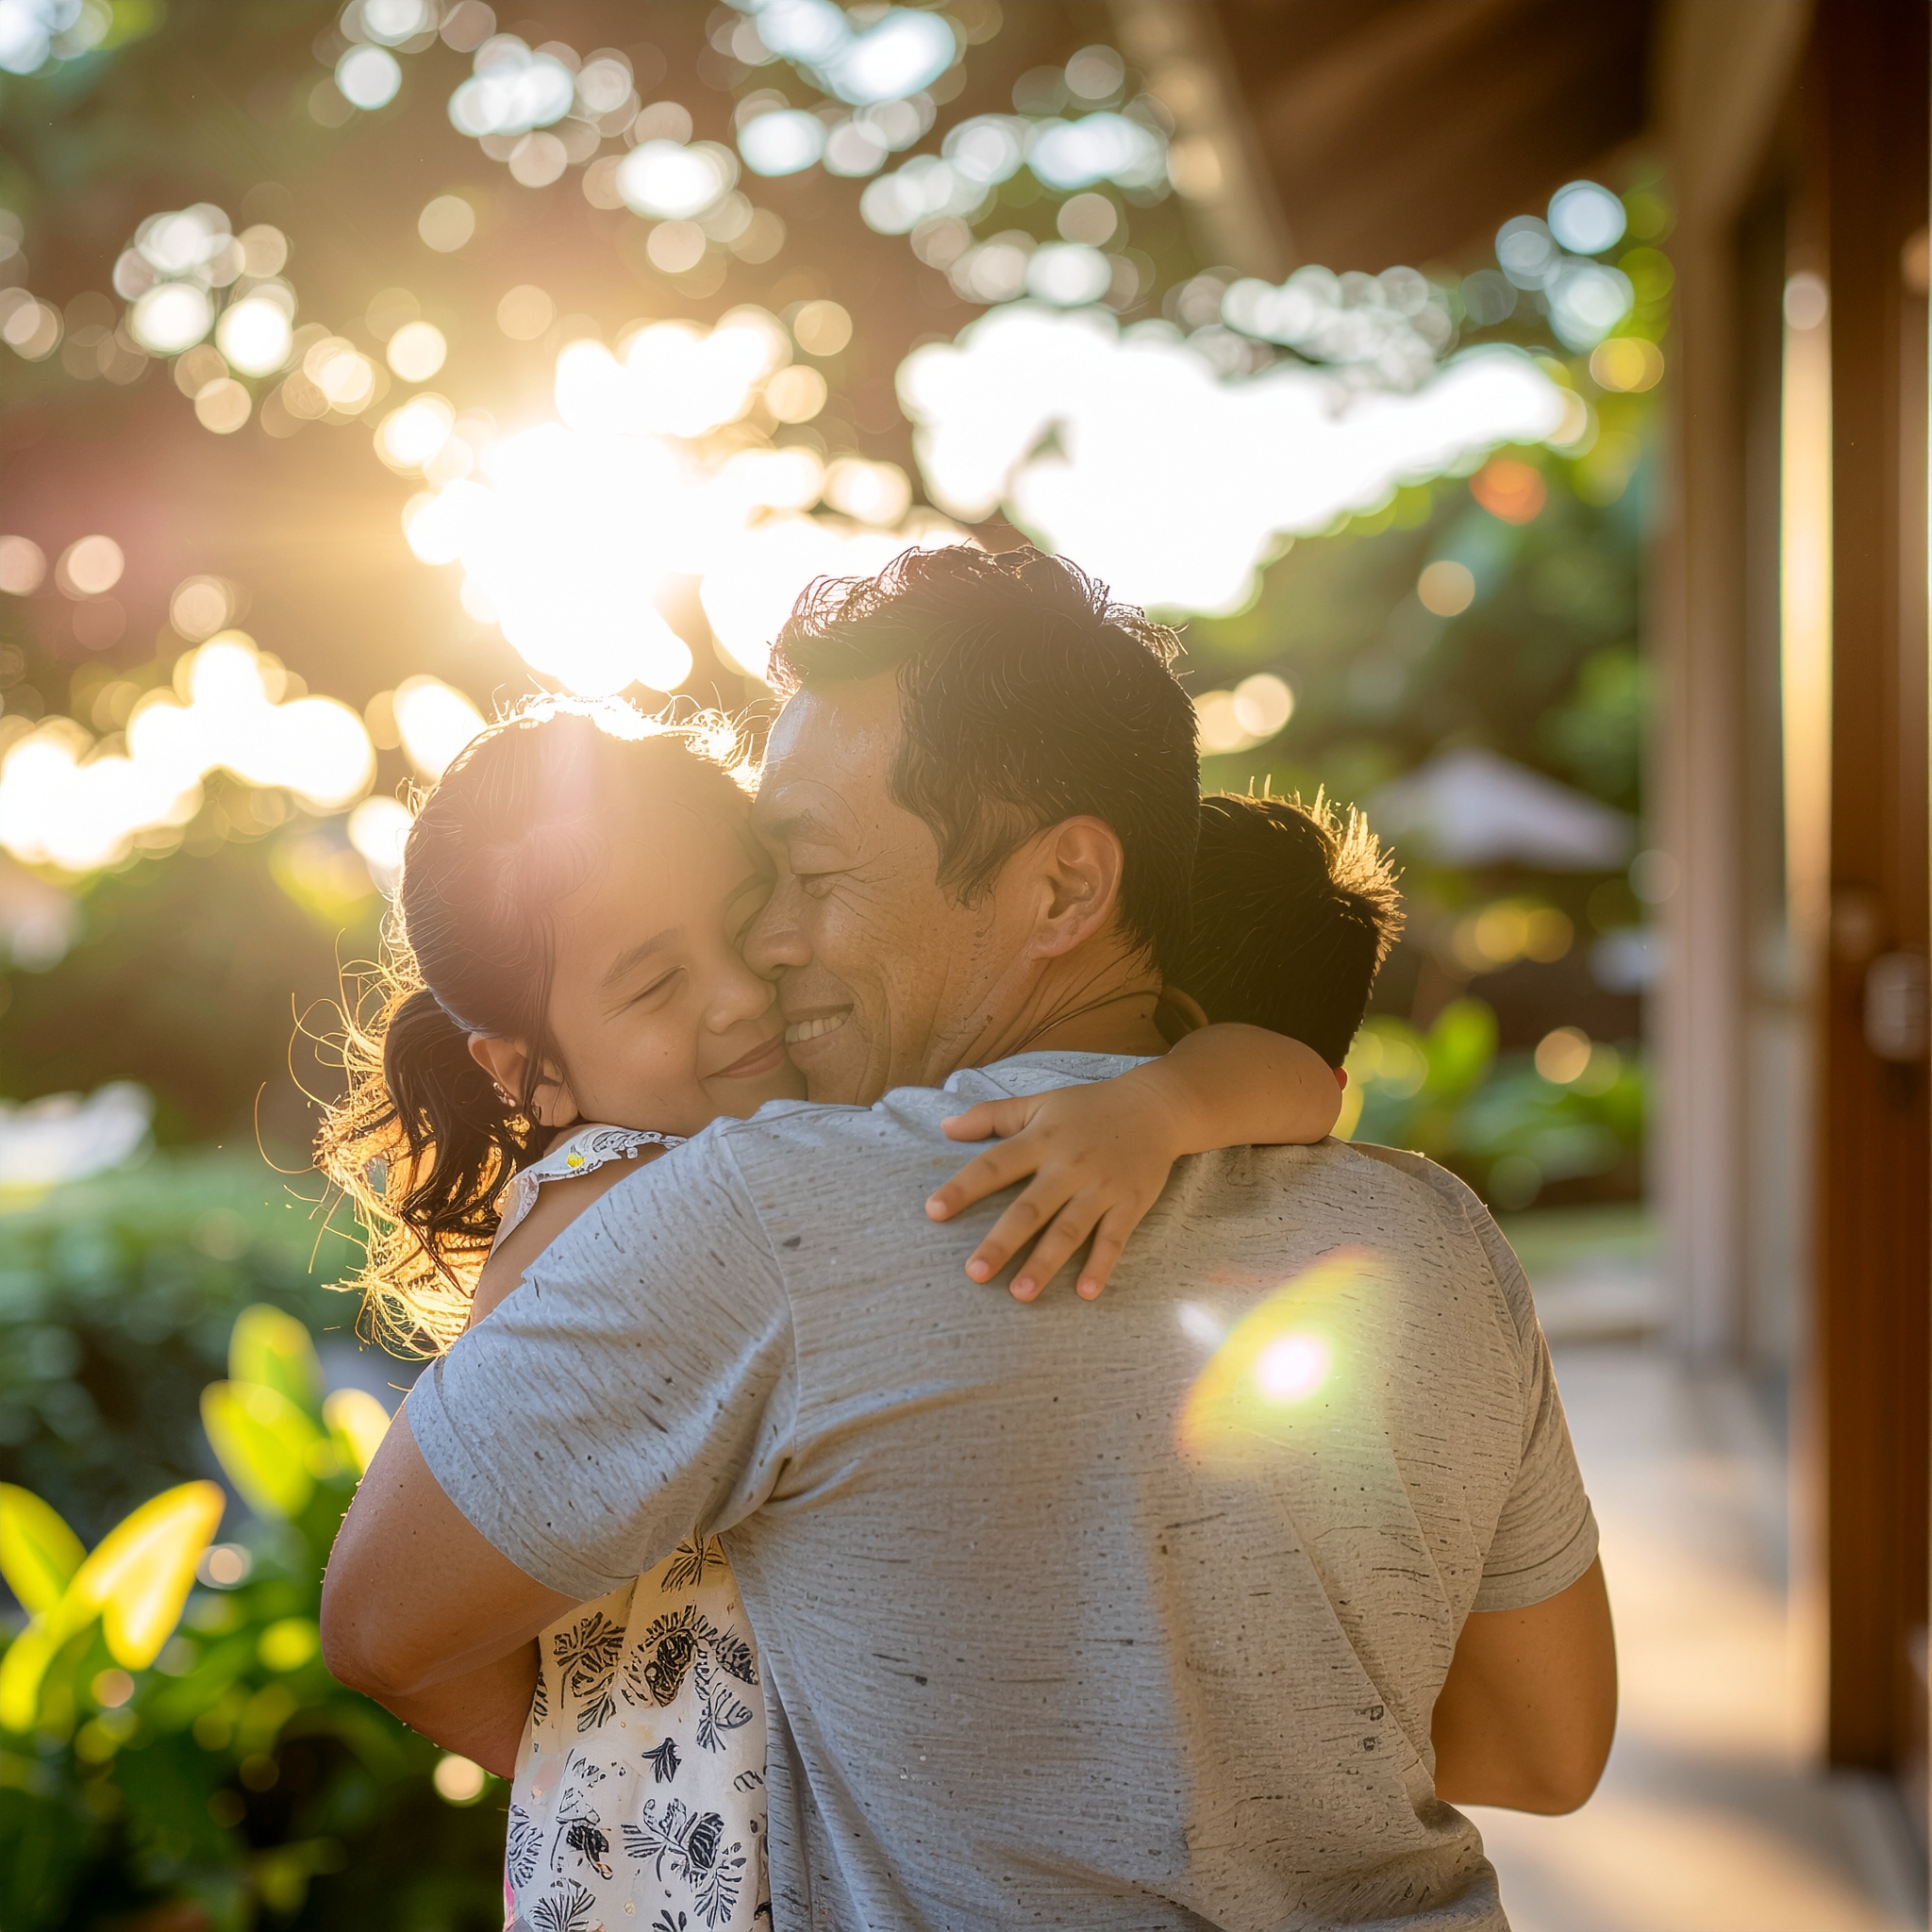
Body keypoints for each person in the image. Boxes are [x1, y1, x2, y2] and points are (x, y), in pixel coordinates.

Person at [324, 546, 1615, 1932]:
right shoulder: (1434, 1236)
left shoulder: (762, 1217)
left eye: (804, 872)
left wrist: (694, 1773)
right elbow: (1547, 1750)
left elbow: (385, 1628)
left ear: (1065, 887)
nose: (770, 946)